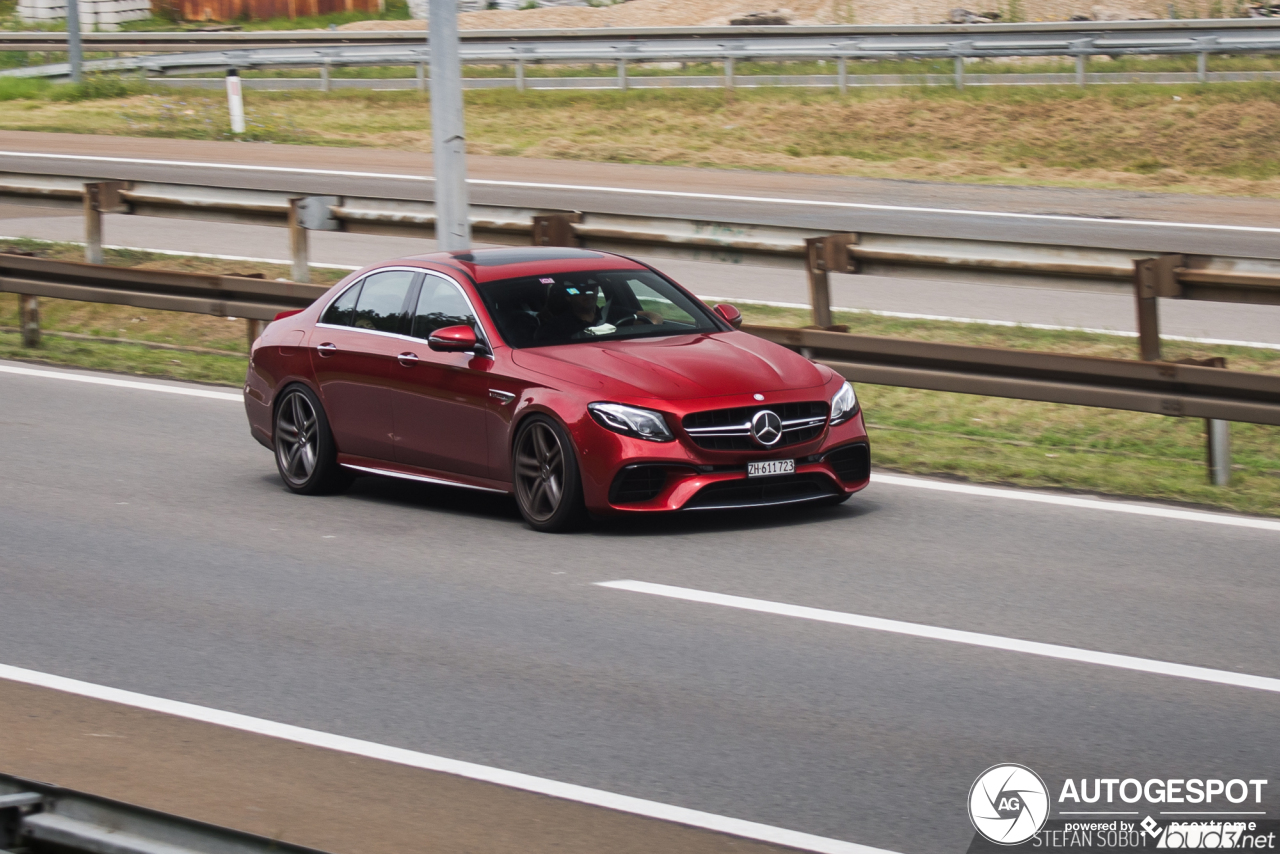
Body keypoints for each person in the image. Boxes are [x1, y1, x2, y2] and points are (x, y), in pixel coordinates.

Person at [535, 280, 662, 343]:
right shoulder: (557, 326)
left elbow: (652, 316)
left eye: (592, 289)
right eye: (578, 291)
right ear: (568, 297)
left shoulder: (613, 313)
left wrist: (653, 334)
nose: (588, 294)